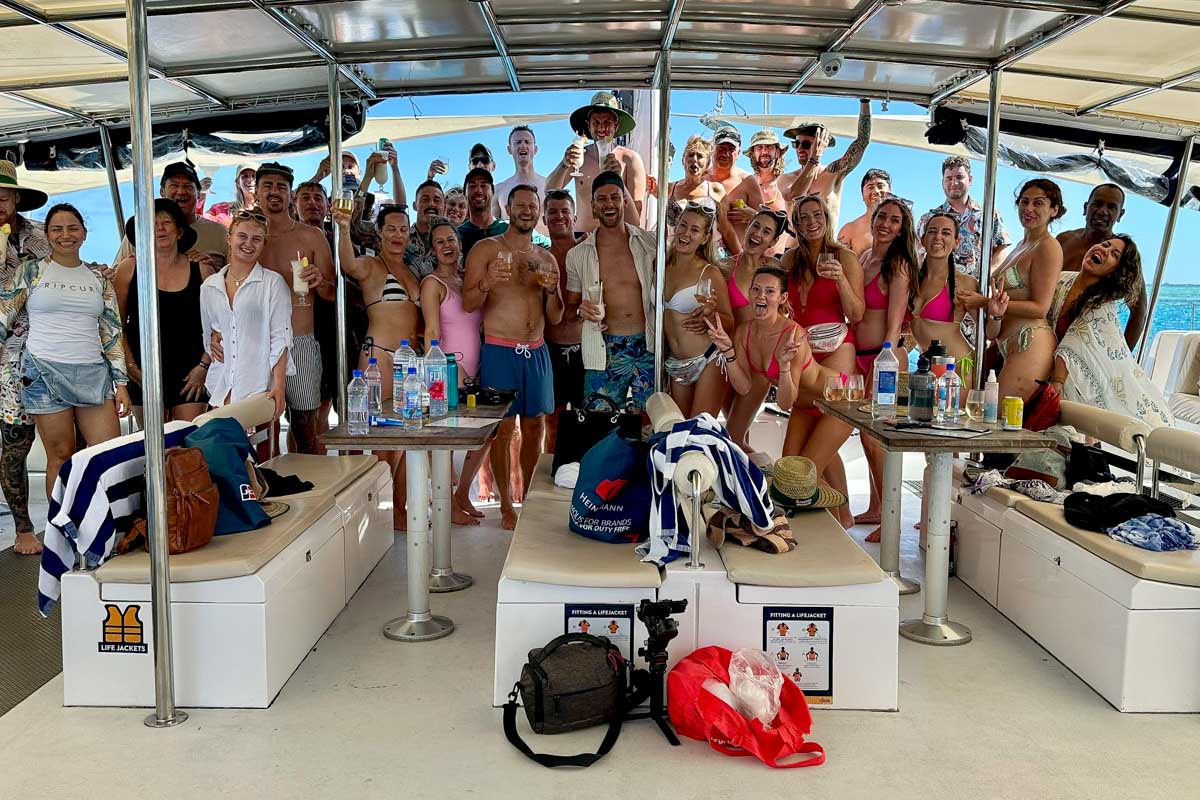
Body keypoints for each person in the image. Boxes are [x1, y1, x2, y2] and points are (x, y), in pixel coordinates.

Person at [0, 204, 131, 502]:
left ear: (84, 233)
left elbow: (112, 334)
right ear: (47, 235)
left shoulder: (99, 280)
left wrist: (121, 383)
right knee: (60, 455)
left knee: (107, 455)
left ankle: (105, 530)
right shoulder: (31, 271)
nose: (65, 235)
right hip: (43, 372)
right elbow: (3, 316)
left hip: (93, 374)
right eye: (57, 229)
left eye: (72, 228)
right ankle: (61, 533)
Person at [464, 185, 563, 529]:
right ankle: (506, 504)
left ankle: (529, 498)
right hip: (500, 349)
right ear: (507, 208)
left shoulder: (546, 257)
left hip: (536, 350)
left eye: (532, 206)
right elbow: (468, 303)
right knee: (503, 431)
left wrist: (552, 291)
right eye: (519, 205)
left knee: (535, 427)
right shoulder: (485, 249)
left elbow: (556, 316)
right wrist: (487, 281)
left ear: (538, 211)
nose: (526, 211)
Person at [705, 267, 844, 475]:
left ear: (782, 297)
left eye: (770, 291)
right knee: (794, 476)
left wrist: (785, 367)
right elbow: (743, 387)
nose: (761, 295)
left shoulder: (792, 335)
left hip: (836, 400)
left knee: (803, 477)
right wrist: (728, 351)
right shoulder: (745, 332)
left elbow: (785, 402)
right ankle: (843, 510)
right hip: (804, 407)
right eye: (756, 289)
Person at [333, 203, 421, 528]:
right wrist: (343, 228)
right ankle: (381, 513)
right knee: (382, 440)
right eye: (392, 228)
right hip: (378, 356)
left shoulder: (411, 270)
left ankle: (398, 509)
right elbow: (347, 264)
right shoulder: (372, 265)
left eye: (403, 229)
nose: (398, 234)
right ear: (380, 232)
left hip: (409, 361)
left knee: (404, 441)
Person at [782, 193, 863, 528]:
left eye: (818, 214)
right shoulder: (789, 261)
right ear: (797, 224)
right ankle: (842, 517)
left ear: (826, 219)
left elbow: (856, 313)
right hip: (804, 356)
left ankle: (833, 525)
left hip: (837, 350)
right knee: (791, 462)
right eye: (805, 217)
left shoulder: (844, 256)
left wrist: (840, 279)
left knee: (810, 464)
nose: (812, 221)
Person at [252, 163, 335, 454]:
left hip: (300, 339)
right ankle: (267, 492)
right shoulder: (247, 236)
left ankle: (313, 493)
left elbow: (332, 293)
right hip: (256, 342)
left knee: (304, 425)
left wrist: (321, 279)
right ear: (256, 192)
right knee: (262, 427)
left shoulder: (311, 236)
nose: (274, 192)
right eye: (268, 186)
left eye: (281, 187)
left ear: (291, 194)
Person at [1048, 235, 1172, 428]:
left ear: (1115, 272)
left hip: (1070, 378)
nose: (1104, 250)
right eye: (1104, 244)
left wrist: (1056, 383)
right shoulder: (1061, 279)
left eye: (1114, 254)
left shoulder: (1101, 305)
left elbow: (1073, 344)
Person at [958, 179, 1065, 402]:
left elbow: (1040, 308)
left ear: (1054, 210)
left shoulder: (1048, 247)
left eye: (1038, 203)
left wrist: (983, 302)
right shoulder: (1019, 246)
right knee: (972, 405)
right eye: (1024, 202)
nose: (1028, 209)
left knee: (997, 417)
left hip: (1031, 342)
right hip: (1004, 342)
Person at [564, 173, 658, 413]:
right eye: (602, 199)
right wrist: (580, 309)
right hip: (603, 348)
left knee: (649, 424)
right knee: (598, 425)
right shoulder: (578, 255)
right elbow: (571, 306)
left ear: (624, 202)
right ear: (593, 206)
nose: (609, 204)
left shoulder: (649, 244)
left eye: (615, 197)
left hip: (647, 345)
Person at [113, 199, 213, 424]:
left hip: (191, 372)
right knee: (151, 447)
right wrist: (130, 368)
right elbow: (116, 324)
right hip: (143, 371)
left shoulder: (203, 269)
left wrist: (204, 367)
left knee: (184, 444)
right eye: (153, 223)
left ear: (179, 231)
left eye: (166, 222)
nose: (160, 228)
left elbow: (219, 326)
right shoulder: (128, 269)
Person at [852, 197, 918, 540]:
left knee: (877, 437)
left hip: (885, 357)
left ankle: (890, 519)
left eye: (894, 220)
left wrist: (885, 361)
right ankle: (877, 505)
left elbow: (894, 320)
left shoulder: (899, 264)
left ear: (901, 228)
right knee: (866, 439)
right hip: (861, 355)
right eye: (882, 216)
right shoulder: (864, 257)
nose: (886, 224)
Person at [419, 218, 489, 524]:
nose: (448, 246)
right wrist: (445, 369)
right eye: (440, 242)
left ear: (460, 244)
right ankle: (444, 505)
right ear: (432, 249)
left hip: (477, 367)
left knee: (488, 433)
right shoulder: (432, 284)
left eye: (452, 240)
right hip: (448, 368)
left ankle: (461, 495)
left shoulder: (467, 281)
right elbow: (430, 332)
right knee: (446, 436)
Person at [0, 161, 51, 554]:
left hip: (33, 355)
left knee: (19, 441)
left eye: (3, 195)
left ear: (16, 197)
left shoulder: (38, 237)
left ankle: (28, 528)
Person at [201, 210, 291, 422]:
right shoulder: (209, 286)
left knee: (265, 451)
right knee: (224, 450)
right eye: (242, 236)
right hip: (221, 384)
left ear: (263, 244)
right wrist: (214, 337)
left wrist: (279, 386)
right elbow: (208, 332)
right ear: (229, 238)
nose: (248, 243)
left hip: (260, 385)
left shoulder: (273, 283)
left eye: (256, 239)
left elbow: (281, 338)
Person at [718, 208, 785, 450]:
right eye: (755, 226)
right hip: (730, 360)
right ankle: (752, 482)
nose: (757, 234)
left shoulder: (777, 270)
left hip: (758, 362)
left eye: (766, 231)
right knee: (739, 437)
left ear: (774, 241)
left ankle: (755, 479)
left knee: (732, 436)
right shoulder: (724, 267)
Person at [662, 203, 733, 417]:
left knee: (700, 432)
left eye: (695, 230)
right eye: (683, 225)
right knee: (680, 432)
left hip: (708, 359)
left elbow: (730, 321)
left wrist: (711, 317)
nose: (686, 233)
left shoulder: (710, 272)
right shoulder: (659, 265)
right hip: (674, 364)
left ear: (704, 238)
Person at [1055, 183, 1147, 349]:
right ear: (1086, 207)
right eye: (1097, 203)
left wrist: (1122, 357)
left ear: (1120, 214)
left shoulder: (1123, 257)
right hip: (1049, 335)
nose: (1103, 211)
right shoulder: (1064, 240)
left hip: (1086, 345)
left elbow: (1139, 312)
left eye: (1112, 207)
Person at [546, 91, 645, 231]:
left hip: (617, 241)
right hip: (582, 238)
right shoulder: (579, 156)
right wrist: (564, 164)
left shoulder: (630, 159)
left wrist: (618, 180)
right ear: (588, 125)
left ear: (616, 125)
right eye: (596, 123)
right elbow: (549, 191)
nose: (601, 128)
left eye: (607, 123)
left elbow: (635, 219)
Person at [113, 162, 229, 271]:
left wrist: (214, 271)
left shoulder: (220, 232)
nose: (181, 191)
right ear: (162, 192)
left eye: (188, 186)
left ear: (198, 193)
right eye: (174, 185)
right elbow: (114, 276)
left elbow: (237, 276)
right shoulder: (140, 231)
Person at [781, 100, 873, 227]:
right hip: (793, 246)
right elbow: (793, 195)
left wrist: (865, 102)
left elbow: (862, 141)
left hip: (826, 246)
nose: (800, 148)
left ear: (822, 146)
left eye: (806, 144)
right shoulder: (786, 179)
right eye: (796, 144)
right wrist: (813, 159)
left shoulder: (833, 173)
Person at [543, 190, 586, 454]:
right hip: (551, 348)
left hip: (585, 349)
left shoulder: (590, 252)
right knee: (552, 422)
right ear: (544, 219)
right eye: (552, 212)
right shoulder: (540, 257)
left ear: (574, 216)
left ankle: (583, 478)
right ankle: (549, 477)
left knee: (587, 420)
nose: (559, 216)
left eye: (564, 211)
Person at [910, 209, 977, 364]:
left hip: (957, 368)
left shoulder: (965, 283)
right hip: (926, 370)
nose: (938, 236)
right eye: (932, 231)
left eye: (946, 233)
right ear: (923, 239)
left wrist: (995, 314)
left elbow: (988, 331)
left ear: (956, 242)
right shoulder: (911, 281)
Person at [722, 129, 790, 255]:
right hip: (743, 260)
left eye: (769, 147)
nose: (764, 151)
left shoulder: (788, 185)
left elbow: (793, 227)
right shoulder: (743, 184)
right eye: (759, 147)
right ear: (753, 153)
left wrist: (754, 216)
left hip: (776, 262)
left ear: (778, 151)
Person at [666, 135, 735, 257]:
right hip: (676, 255)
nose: (694, 159)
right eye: (690, 155)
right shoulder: (669, 189)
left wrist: (740, 258)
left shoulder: (715, 190)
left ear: (708, 163)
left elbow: (726, 229)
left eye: (700, 156)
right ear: (683, 160)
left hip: (710, 257)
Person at [496, 126, 548, 233]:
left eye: (527, 142)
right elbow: (492, 230)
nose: (523, 145)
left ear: (535, 149)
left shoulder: (549, 185)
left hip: (545, 248)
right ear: (509, 149)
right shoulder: (499, 190)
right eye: (518, 142)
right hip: (510, 248)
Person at [837, 168, 891, 255]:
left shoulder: (902, 227)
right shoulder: (849, 230)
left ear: (890, 192)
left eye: (880, 186)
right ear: (862, 195)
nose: (876, 191)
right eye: (870, 187)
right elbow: (839, 263)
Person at [405, 180, 445, 280]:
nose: (431, 204)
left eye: (437, 200)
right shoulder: (402, 239)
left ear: (444, 206)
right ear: (415, 205)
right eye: (425, 200)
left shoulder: (452, 242)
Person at [706, 126, 751, 194]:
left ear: (738, 154)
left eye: (731, 149)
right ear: (712, 149)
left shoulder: (747, 182)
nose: (725, 154)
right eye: (721, 148)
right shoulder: (699, 179)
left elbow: (760, 205)